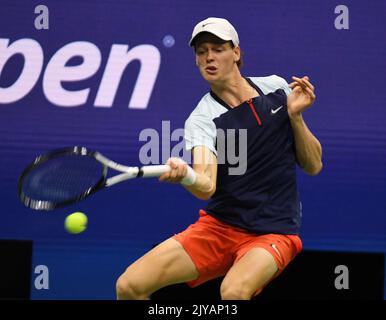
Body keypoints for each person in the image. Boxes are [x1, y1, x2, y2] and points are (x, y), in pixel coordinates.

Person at [116, 17, 323, 300]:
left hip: (274, 230)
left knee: (234, 292)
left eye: (217, 48)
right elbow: (206, 185)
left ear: (236, 53)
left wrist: (295, 116)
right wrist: (186, 174)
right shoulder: (202, 119)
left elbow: (314, 165)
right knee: (129, 286)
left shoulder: (277, 88)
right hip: (220, 227)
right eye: (201, 52)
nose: (209, 57)